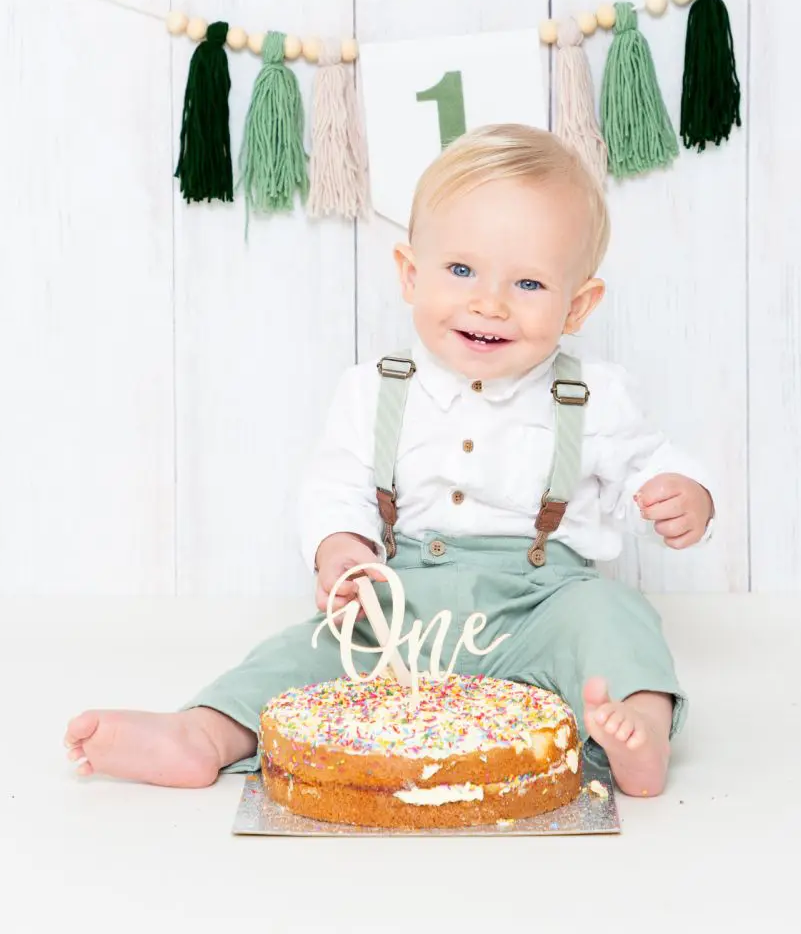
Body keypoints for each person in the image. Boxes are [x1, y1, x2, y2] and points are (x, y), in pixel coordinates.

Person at [65, 123, 714, 798]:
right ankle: (205, 732)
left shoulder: (594, 395)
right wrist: (341, 547)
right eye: (461, 270)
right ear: (411, 273)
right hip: (403, 610)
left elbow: (648, 463)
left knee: (613, 618)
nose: (488, 302)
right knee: (305, 652)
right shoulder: (376, 388)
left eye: (527, 283)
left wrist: (680, 494)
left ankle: (635, 732)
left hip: (540, 609)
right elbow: (337, 482)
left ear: (577, 305)